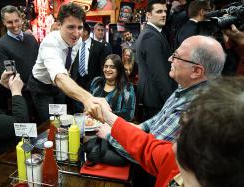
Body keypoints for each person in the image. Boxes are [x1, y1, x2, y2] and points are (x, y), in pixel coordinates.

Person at [94, 76, 244, 187]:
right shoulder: (177, 161)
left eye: (184, 137)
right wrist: (109, 117)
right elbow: (147, 146)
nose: (172, 145)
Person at [102, 35, 225, 164]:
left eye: (176, 56)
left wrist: (109, 135)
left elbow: (150, 153)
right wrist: (137, 128)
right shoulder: (186, 87)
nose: (169, 59)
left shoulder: (194, 108)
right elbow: (159, 118)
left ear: (196, 71)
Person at [28, 2, 103, 123]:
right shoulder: (50, 43)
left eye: (80, 27)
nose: (76, 33)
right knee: (51, 123)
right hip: (41, 87)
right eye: (71, 27)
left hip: (58, 87)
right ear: (60, 25)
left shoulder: (77, 41)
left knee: (63, 120)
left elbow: (66, 67)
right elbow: (59, 76)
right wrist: (88, 99)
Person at [135, 0, 177, 120]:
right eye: (159, 11)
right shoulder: (150, 36)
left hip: (155, 98)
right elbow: (159, 73)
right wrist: (171, 101)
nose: (164, 14)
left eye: (165, 11)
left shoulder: (155, 33)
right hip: (156, 99)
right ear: (148, 15)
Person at [0, 5, 38, 83]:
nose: (14, 25)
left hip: (39, 89)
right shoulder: (0, 46)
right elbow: (10, 76)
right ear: (4, 22)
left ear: (21, 19)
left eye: (16, 20)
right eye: (10, 22)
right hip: (20, 92)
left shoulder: (32, 39)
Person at [90, 54, 135, 121]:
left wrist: (102, 113)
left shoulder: (127, 88)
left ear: (119, 70)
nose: (108, 70)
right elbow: (89, 103)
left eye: (112, 67)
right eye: (106, 66)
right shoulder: (96, 82)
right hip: (93, 125)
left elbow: (128, 115)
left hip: (114, 128)